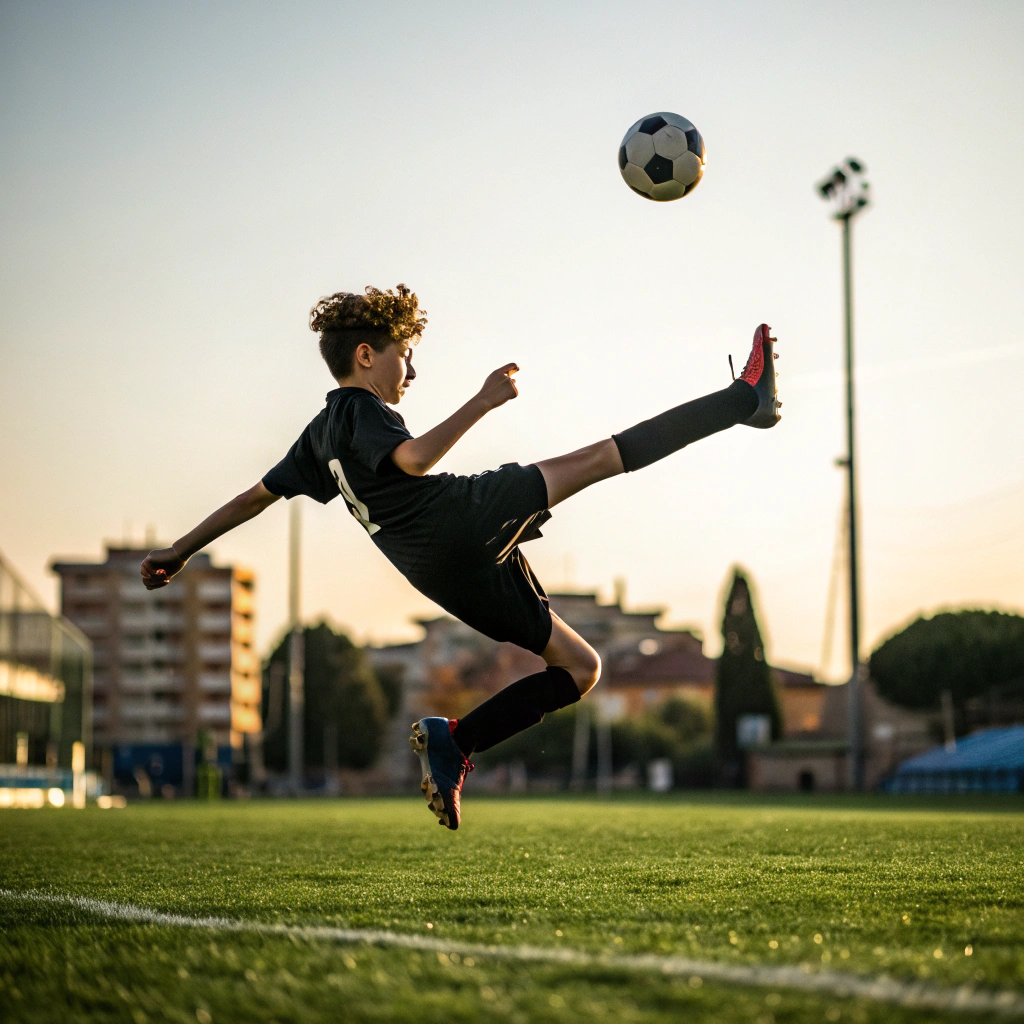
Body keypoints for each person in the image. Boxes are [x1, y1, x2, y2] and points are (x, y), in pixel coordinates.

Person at [141, 284, 780, 829]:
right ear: (365, 356)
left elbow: (253, 498)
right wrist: (483, 400)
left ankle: (456, 741)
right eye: (404, 358)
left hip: (443, 574)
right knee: (597, 459)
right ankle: (742, 399)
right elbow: (415, 460)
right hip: (460, 520)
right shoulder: (360, 410)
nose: (410, 376)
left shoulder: (315, 439)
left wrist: (180, 550)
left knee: (581, 668)